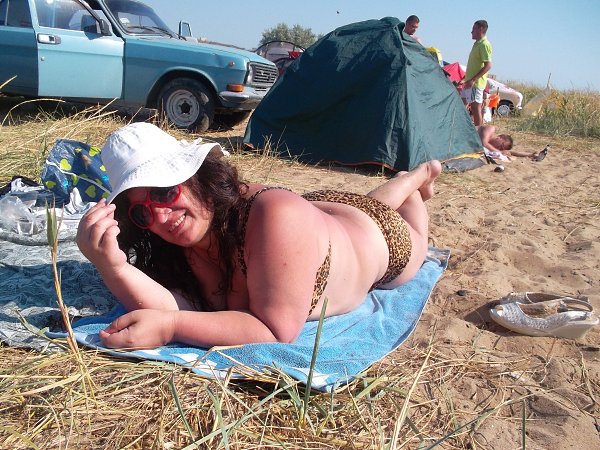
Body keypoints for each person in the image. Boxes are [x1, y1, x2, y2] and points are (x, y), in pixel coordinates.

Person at [76, 123, 441, 350]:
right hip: (320, 216)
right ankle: (402, 182)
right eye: (141, 212)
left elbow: (275, 330)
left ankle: (414, 179)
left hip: (378, 237)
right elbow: (173, 304)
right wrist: (113, 266)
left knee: (407, 236)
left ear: (195, 175)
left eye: (163, 192)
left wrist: (171, 328)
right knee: (364, 204)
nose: (160, 216)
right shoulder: (177, 238)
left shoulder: (275, 216)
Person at [458, 20, 492, 126]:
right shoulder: (477, 44)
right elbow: (474, 66)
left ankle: (479, 132)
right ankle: (463, 129)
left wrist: (473, 80)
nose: (471, 31)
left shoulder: (484, 44)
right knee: (462, 105)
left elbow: (488, 65)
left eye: (473, 29)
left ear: (480, 29)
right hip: (469, 83)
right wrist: (464, 79)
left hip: (475, 84)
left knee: (475, 108)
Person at [477, 125, 543, 158]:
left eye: (500, 148)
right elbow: (484, 143)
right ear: (501, 137)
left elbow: (513, 152)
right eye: (501, 145)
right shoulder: (491, 129)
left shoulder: (490, 147)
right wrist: (500, 152)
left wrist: (530, 154)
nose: (498, 148)